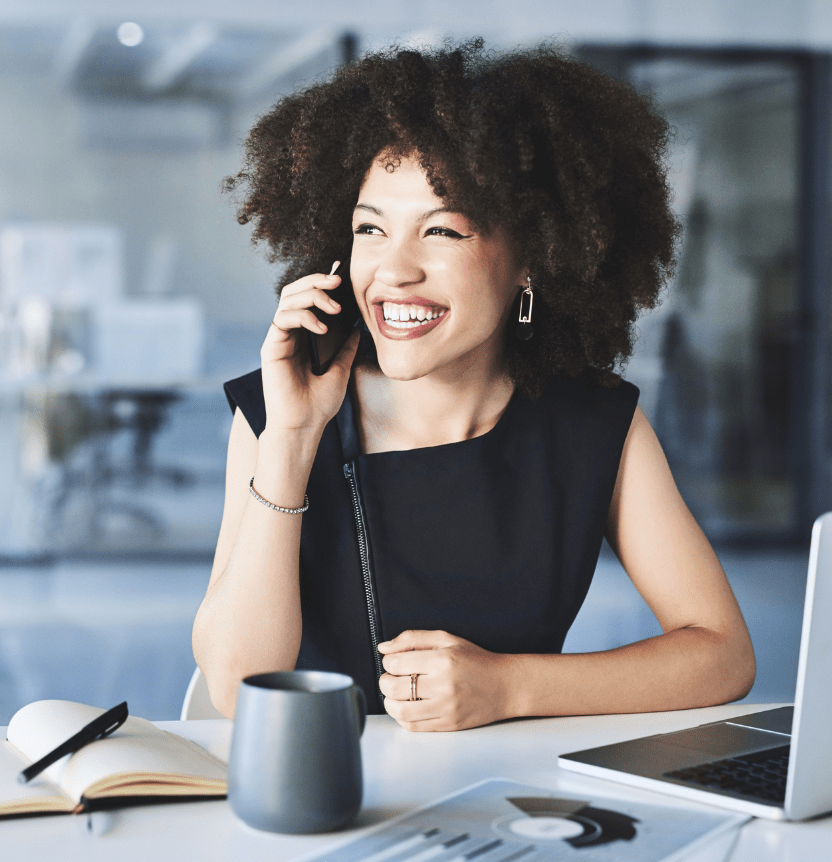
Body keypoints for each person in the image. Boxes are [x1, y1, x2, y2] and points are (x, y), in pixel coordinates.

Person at [191, 39, 755, 731]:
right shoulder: (277, 409)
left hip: (510, 798)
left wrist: (510, 687)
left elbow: (724, 654)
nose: (393, 271)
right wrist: (292, 440)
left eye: (443, 232)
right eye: (371, 228)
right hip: (320, 792)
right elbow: (236, 691)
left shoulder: (594, 422)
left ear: (532, 259)